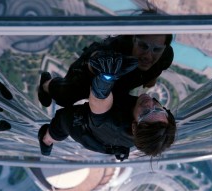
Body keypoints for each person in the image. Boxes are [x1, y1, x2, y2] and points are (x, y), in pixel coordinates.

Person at [38, 52, 176, 161]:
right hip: (116, 117)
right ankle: (46, 87)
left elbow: (99, 101)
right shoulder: (157, 125)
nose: (150, 103)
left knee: (63, 121)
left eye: (146, 112)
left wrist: (105, 78)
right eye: (158, 109)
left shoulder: (113, 124)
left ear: (134, 126)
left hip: (89, 132)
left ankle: (46, 140)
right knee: (72, 90)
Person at [38, 34, 173, 109]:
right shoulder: (115, 49)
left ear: (164, 48)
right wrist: (102, 64)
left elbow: (160, 66)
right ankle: (46, 84)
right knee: (65, 97)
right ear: (133, 39)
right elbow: (96, 58)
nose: (148, 56)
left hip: (122, 85)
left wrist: (151, 78)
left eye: (156, 50)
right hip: (89, 77)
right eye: (143, 46)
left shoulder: (165, 56)